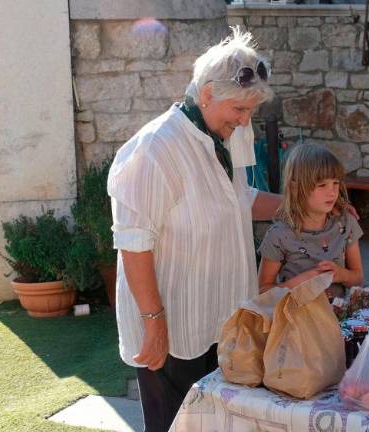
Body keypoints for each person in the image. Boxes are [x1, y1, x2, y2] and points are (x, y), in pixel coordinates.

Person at [107, 28, 282, 432]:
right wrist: (154, 324)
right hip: (174, 331)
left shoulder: (224, 133)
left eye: (251, 111)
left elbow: (237, 198)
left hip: (218, 320)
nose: (245, 120)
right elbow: (133, 242)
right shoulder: (155, 148)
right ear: (206, 94)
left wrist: (298, 206)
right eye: (239, 109)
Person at [258, 144, 364, 298]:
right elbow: (263, 292)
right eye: (322, 185)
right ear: (295, 187)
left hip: (337, 312)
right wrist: (300, 282)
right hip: (296, 312)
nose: (332, 192)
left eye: (336, 183)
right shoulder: (279, 236)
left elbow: (358, 279)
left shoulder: (346, 223)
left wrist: (341, 274)